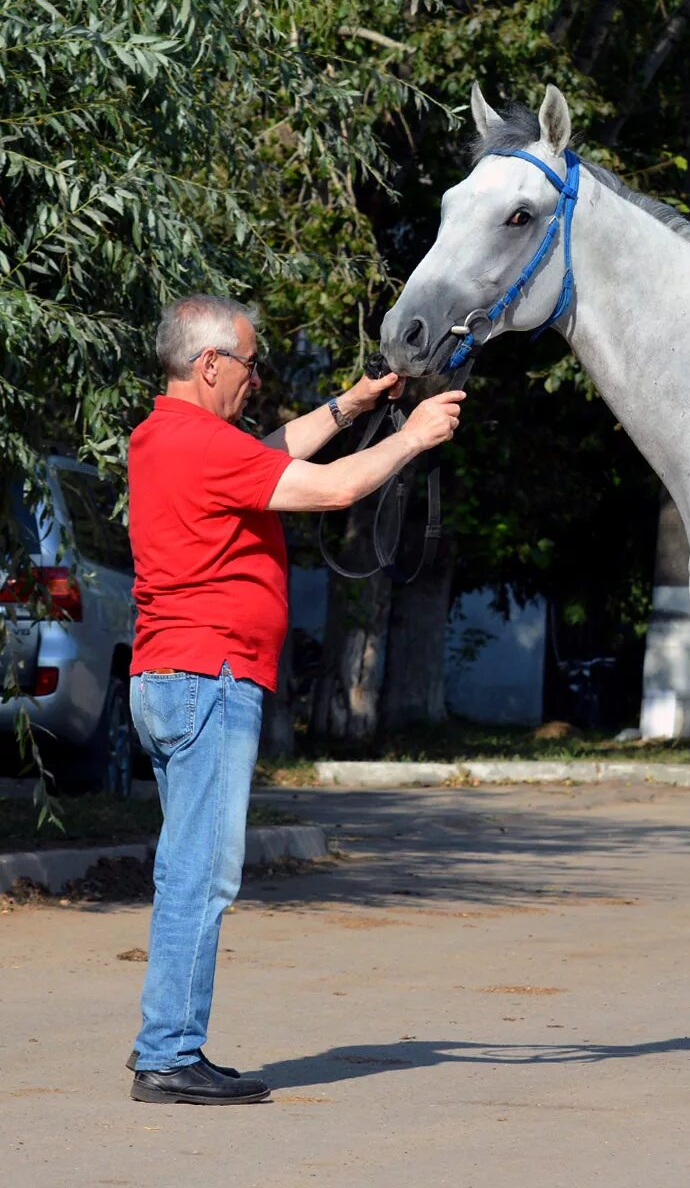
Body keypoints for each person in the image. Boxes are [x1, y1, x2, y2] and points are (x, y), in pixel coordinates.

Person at [124, 294, 463, 1105]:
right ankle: (168, 1055)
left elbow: (271, 454)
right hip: (210, 679)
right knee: (200, 876)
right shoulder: (202, 445)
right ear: (209, 364)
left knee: (188, 869)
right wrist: (413, 437)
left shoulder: (166, 438)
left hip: (173, 678)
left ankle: (170, 1047)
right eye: (247, 363)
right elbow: (333, 489)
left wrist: (354, 402)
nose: (253, 378)